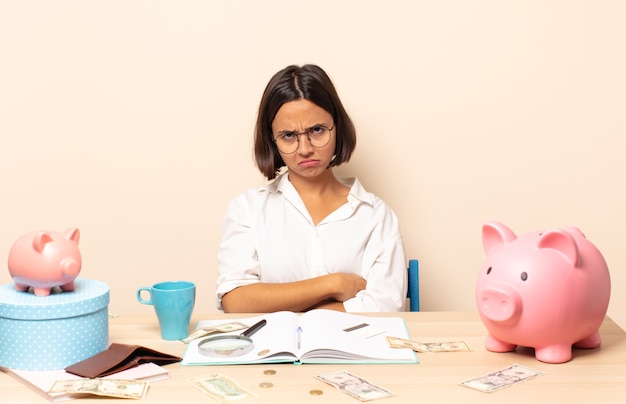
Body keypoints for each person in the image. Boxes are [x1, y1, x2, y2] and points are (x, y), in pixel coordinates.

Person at [216, 64, 407, 313]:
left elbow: (386, 306)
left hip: (353, 350)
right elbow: (236, 301)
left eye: (316, 130)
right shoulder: (247, 209)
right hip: (273, 351)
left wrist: (289, 309)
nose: (305, 148)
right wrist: (332, 284)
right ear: (272, 141)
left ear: (337, 127)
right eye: (288, 135)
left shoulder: (375, 215)